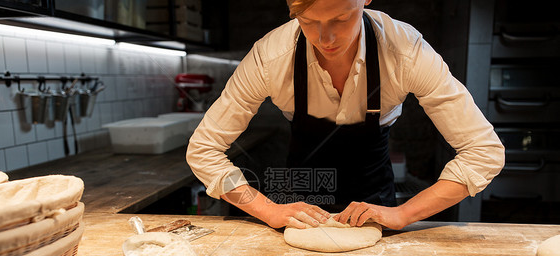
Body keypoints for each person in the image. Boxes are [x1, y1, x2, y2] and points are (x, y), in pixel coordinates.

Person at [186, 0, 505, 230]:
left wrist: (405, 214)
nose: (325, 39)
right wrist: (265, 209)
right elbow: (203, 151)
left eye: (340, 19)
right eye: (308, 22)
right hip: (301, 202)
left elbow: (484, 153)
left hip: (375, 202)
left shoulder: (406, 52)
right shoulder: (270, 57)